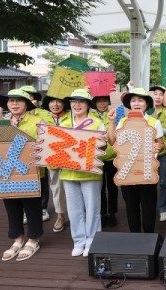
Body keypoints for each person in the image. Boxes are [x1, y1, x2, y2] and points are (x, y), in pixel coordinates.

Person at [0, 89, 43, 261]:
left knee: (32, 206)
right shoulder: (2, 123)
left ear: (26, 104)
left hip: (32, 171)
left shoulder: (38, 121)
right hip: (6, 172)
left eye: (18, 100)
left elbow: (46, 145)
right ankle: (17, 238)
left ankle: (33, 239)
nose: (14, 104)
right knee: (11, 205)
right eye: (10, 101)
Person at [107, 88, 164, 233]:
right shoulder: (123, 121)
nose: (136, 103)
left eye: (140, 100)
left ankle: (149, 237)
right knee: (131, 206)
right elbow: (113, 141)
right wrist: (111, 122)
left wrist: (159, 146)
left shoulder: (154, 122)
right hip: (128, 170)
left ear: (146, 104)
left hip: (147, 170)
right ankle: (135, 237)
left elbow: (161, 144)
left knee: (148, 206)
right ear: (129, 104)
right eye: (133, 100)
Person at [58, 89, 105, 257]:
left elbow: (103, 148)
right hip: (68, 174)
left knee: (93, 209)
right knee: (74, 210)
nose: (77, 105)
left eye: (81, 102)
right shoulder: (63, 123)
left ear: (88, 105)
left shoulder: (96, 123)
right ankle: (78, 241)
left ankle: (92, 240)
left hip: (90, 174)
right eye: (73, 101)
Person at [18, 86, 52, 224]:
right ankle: (25, 212)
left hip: (38, 160)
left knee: (42, 185)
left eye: (31, 96)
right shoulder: (12, 118)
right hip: (18, 162)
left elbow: (49, 133)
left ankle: (42, 208)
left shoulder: (43, 115)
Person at [40, 93, 70, 232]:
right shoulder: (43, 118)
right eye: (52, 101)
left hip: (73, 160)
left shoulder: (71, 117)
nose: (55, 104)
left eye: (59, 101)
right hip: (53, 160)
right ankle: (60, 216)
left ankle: (77, 216)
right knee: (57, 189)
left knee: (74, 189)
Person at [90, 93, 119, 227]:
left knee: (113, 187)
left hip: (113, 157)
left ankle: (112, 213)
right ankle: (102, 213)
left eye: (105, 101)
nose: (102, 104)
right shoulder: (90, 116)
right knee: (99, 188)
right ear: (94, 103)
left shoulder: (115, 114)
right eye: (99, 101)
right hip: (96, 158)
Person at [148, 85, 166, 223]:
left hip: (163, 152)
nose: (157, 96)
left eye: (160, 94)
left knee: (163, 180)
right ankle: (150, 207)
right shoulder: (146, 111)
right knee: (148, 180)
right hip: (145, 153)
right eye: (154, 93)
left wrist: (156, 128)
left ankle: (163, 208)